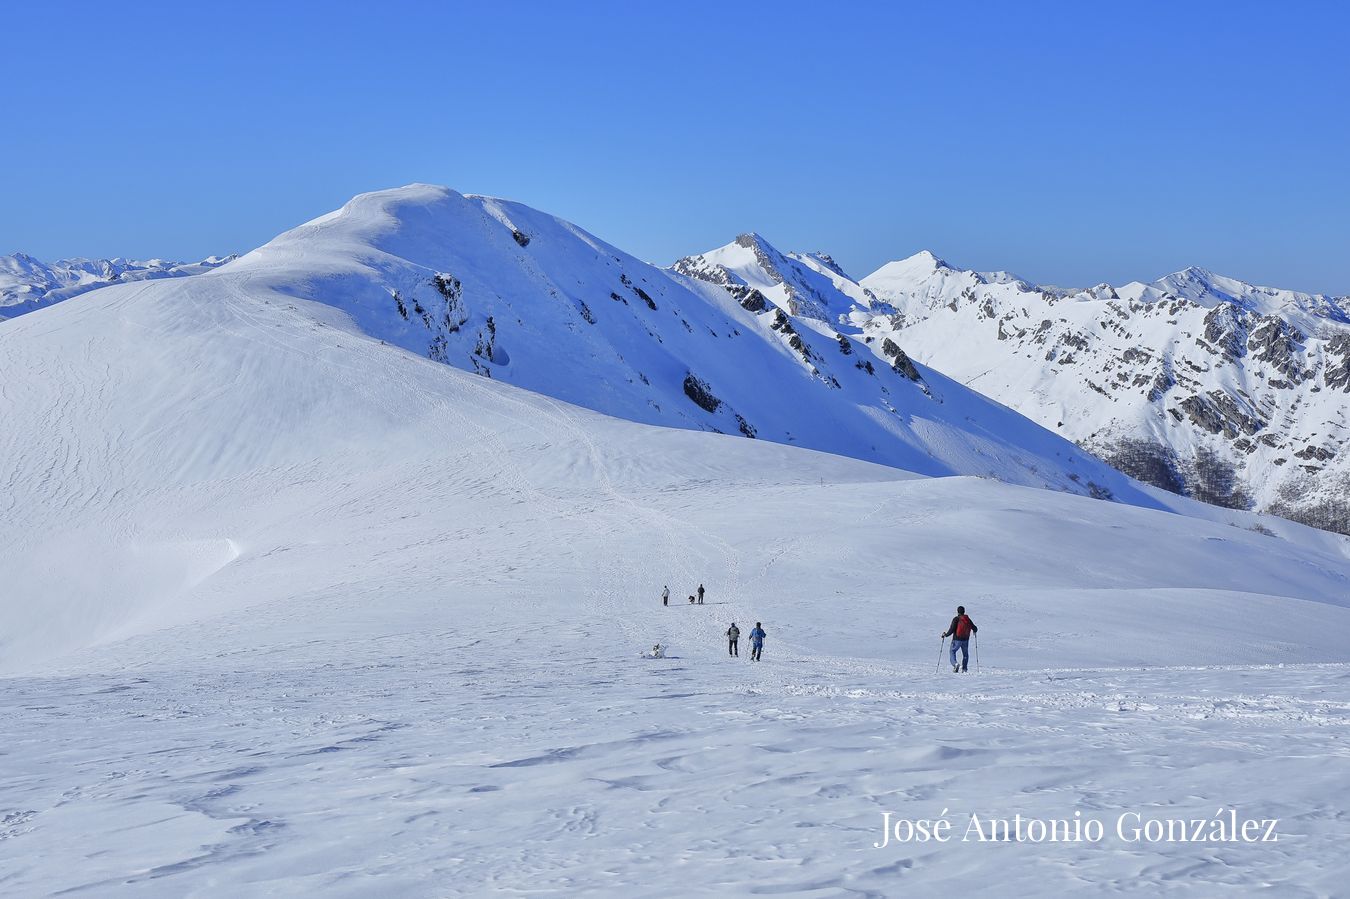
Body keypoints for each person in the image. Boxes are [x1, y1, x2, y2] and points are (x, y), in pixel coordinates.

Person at [941, 606, 978, 673]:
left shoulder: (956, 619)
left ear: (957, 611)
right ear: (964, 611)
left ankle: (955, 664)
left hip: (957, 639)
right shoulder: (968, 619)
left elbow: (952, 629)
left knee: (952, 651)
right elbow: (975, 628)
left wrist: (946, 635)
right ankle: (964, 669)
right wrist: (974, 630)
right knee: (965, 654)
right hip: (965, 640)